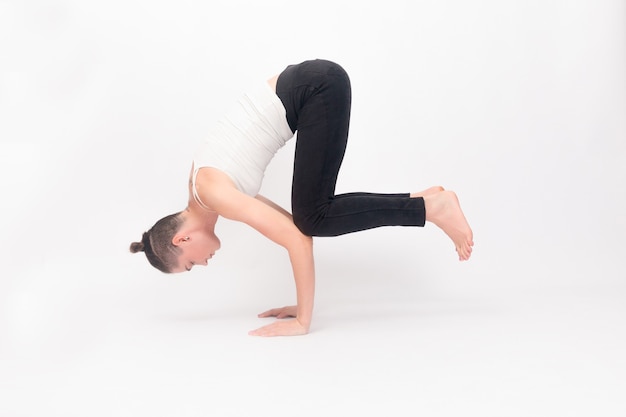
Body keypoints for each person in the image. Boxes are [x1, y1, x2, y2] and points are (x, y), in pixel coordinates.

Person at [130, 59, 474, 337]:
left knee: (314, 216)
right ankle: (424, 200)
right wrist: (300, 302)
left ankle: (431, 208)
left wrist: (302, 321)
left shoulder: (213, 193)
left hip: (316, 88)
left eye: (190, 263)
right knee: (312, 215)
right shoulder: (207, 191)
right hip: (314, 85)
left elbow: (298, 239)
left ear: (182, 238)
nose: (202, 264)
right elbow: (296, 229)